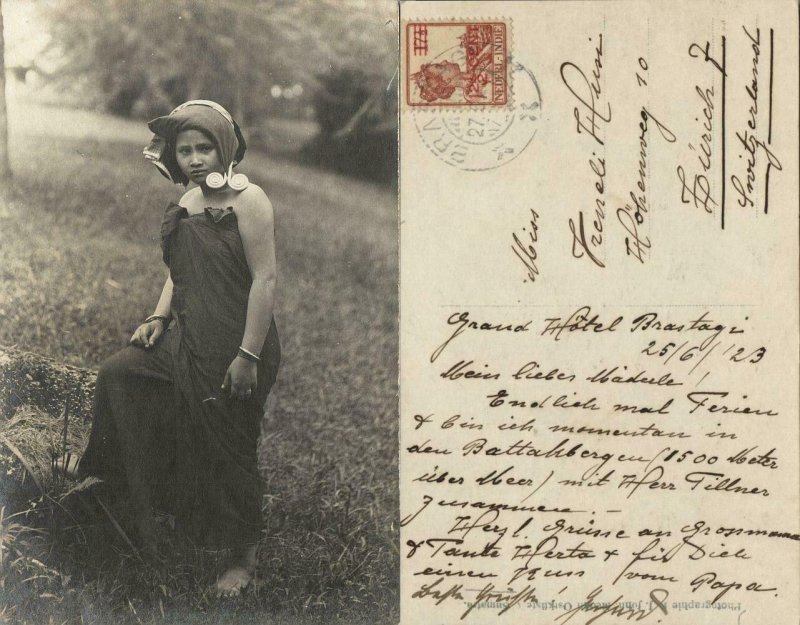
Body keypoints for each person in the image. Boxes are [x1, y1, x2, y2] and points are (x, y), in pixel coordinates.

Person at [73, 100, 280, 596]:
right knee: (122, 373)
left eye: (204, 147)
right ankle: (116, 487)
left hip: (235, 341)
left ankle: (242, 556)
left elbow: (265, 280)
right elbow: (178, 274)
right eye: (185, 151)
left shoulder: (251, 202)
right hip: (185, 335)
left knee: (227, 439)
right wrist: (158, 317)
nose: (195, 159)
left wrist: (247, 356)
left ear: (224, 148)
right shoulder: (187, 203)